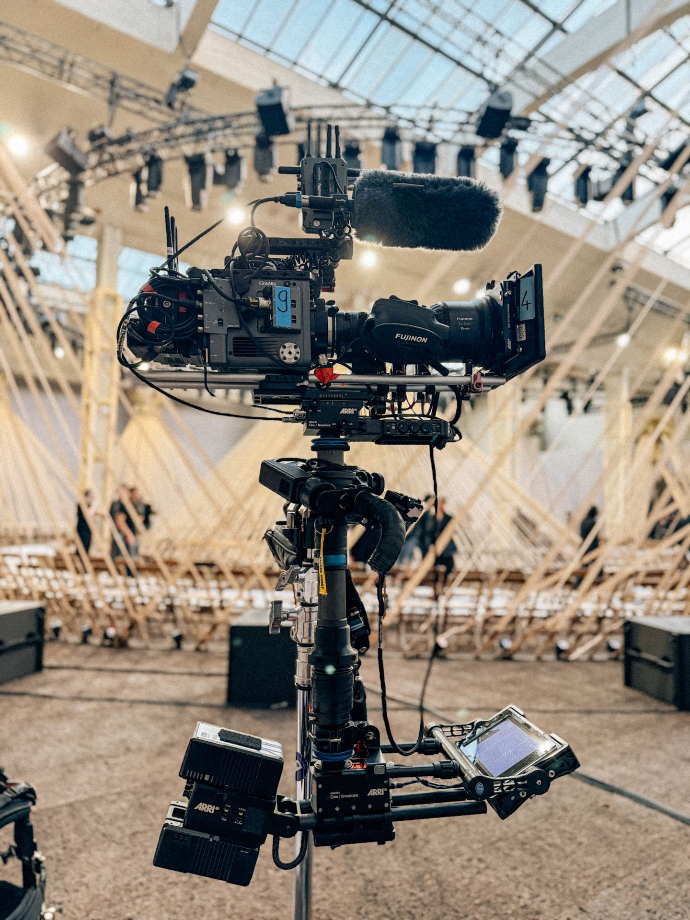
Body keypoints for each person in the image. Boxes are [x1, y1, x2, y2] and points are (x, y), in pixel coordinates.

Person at [418, 497, 457, 589]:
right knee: (433, 564)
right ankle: (435, 585)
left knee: (449, 564)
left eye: (441, 504)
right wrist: (430, 545)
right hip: (434, 547)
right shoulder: (431, 519)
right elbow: (428, 534)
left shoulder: (449, 518)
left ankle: (445, 584)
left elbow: (451, 532)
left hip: (446, 547)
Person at [110, 485, 138, 562]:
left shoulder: (120, 504)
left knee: (121, 558)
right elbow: (120, 521)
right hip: (123, 535)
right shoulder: (122, 505)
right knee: (124, 559)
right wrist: (129, 534)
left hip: (122, 534)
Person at [76, 489, 95, 554]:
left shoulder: (88, 505)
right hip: (82, 530)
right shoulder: (81, 505)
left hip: (88, 530)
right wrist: (94, 506)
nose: (91, 499)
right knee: (81, 548)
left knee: (86, 548)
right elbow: (87, 515)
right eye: (90, 497)